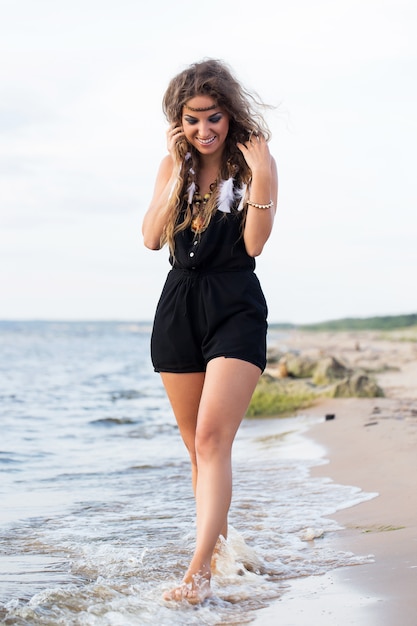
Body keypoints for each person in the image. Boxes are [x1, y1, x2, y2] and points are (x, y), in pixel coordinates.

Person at [142, 58, 278, 604]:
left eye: (213, 117)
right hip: (178, 308)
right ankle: (218, 556)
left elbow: (254, 245)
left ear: (230, 115)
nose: (204, 130)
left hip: (235, 307)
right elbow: (152, 239)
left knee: (212, 438)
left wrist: (263, 178)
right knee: (196, 451)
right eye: (192, 120)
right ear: (179, 122)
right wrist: (176, 175)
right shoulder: (171, 167)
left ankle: (197, 573)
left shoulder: (254, 166)